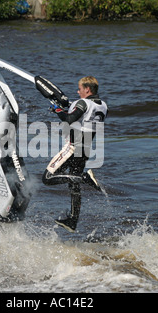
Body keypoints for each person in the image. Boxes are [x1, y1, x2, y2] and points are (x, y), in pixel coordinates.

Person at [39, 76, 108, 232]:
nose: (78, 92)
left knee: (48, 178)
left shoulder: (82, 103)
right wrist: (66, 109)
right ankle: (73, 220)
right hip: (86, 149)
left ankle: (85, 177)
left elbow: (70, 119)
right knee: (73, 185)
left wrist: (57, 110)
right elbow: (85, 117)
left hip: (73, 148)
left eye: (80, 89)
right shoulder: (103, 106)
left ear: (87, 89)